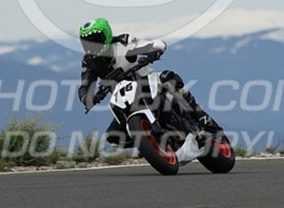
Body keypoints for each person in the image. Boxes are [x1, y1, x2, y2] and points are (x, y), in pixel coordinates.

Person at [77, 17, 218, 146]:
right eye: (87, 42)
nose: (92, 46)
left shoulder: (123, 42)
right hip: (124, 99)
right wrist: (86, 98)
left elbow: (150, 45)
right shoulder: (88, 61)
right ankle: (148, 144)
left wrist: (154, 50)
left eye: (95, 40)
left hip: (147, 81)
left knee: (168, 78)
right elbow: (85, 84)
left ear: (106, 36)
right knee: (112, 136)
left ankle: (200, 116)